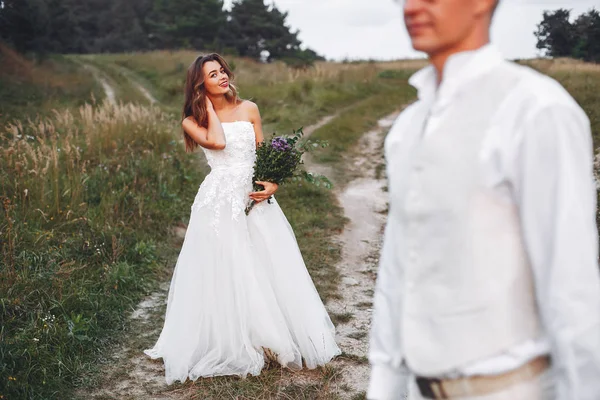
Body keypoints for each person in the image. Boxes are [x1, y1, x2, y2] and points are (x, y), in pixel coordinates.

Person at [367, 0, 600, 399]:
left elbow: (571, 291)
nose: (412, 6)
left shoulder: (535, 109)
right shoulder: (408, 128)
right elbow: (397, 271)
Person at [144, 53, 340, 384]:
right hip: (218, 200)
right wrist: (205, 106)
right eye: (211, 75)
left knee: (267, 261)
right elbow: (219, 142)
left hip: (252, 195)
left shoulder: (249, 108)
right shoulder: (192, 121)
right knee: (228, 265)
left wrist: (273, 181)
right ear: (199, 84)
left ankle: (271, 337)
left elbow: (263, 154)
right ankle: (232, 339)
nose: (222, 77)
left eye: (222, 71)